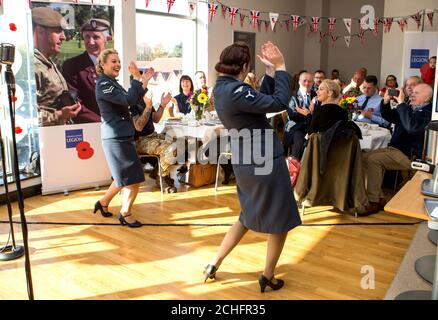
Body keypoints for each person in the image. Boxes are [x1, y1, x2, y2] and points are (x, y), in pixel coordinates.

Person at [204, 41, 301, 293]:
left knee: (246, 216)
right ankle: (268, 275)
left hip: (245, 161)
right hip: (263, 159)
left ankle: (214, 263)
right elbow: (279, 102)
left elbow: (259, 101)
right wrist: (281, 67)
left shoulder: (222, 88)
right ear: (245, 66)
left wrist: (269, 74)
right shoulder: (236, 91)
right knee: (281, 219)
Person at [93, 48, 154, 228]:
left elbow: (131, 98)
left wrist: (143, 81)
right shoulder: (105, 84)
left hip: (121, 137)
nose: (118, 64)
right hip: (116, 138)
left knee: (122, 178)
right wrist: (137, 79)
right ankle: (125, 213)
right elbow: (129, 100)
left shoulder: (111, 83)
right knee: (133, 178)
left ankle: (103, 203)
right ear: (102, 65)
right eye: (113, 61)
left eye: (118, 61)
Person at [361, 83, 433, 215]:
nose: (412, 94)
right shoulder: (410, 108)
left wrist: (401, 105)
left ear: (427, 98)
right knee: (363, 156)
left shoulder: (427, 113)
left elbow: (412, 127)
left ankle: (373, 201)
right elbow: (389, 116)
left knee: (373, 159)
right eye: (412, 92)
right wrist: (386, 101)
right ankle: (379, 197)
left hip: (409, 155)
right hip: (395, 149)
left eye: (416, 93)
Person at [32, 7, 81, 127]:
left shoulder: (46, 62)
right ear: (40, 31)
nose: (64, 37)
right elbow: (26, 116)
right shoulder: (33, 67)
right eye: (58, 31)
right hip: (44, 141)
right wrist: (59, 115)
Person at [62, 18, 112, 123]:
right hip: (91, 130)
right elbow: (75, 104)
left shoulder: (115, 63)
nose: (91, 42)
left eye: (96, 37)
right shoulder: (72, 66)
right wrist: (104, 123)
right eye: (87, 37)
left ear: (107, 39)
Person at [132, 91, 178, 193]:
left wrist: (162, 105)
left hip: (152, 136)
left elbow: (155, 119)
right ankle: (162, 178)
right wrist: (148, 107)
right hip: (140, 140)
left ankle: (157, 172)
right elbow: (138, 126)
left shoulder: (145, 100)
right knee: (170, 148)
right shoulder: (131, 102)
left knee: (180, 141)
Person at [284, 72, 317, 160]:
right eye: (304, 81)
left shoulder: (316, 96)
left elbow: (318, 114)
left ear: (313, 83)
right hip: (295, 127)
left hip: (312, 128)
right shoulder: (292, 95)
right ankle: (294, 166)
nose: (307, 84)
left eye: (309, 81)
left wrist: (305, 112)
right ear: (299, 81)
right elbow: (293, 115)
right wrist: (310, 112)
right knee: (299, 140)